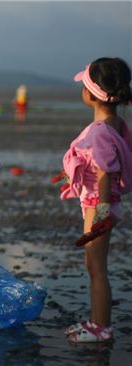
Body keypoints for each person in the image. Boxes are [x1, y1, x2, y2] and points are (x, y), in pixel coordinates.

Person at [55, 57, 132, 343]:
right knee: (93, 265)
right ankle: (97, 322)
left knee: (97, 268)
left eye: (84, 84)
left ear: (92, 93)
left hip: (98, 206)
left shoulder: (100, 131)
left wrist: (99, 216)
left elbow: (104, 172)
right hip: (102, 203)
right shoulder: (115, 123)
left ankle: (102, 328)